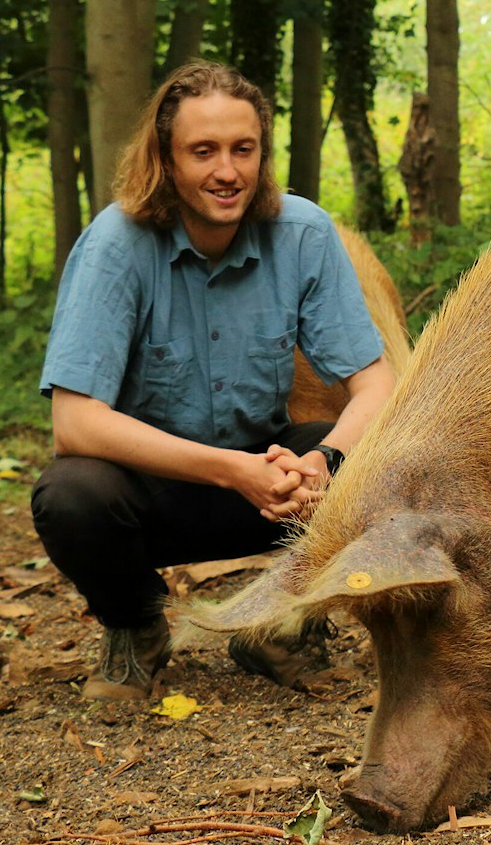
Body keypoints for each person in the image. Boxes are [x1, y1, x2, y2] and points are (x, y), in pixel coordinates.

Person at [31, 61, 397, 701]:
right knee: (70, 495)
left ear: (262, 155)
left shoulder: (302, 233)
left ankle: (283, 625)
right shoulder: (116, 244)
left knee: (386, 460)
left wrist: (322, 460)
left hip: (268, 476)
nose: (227, 171)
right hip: (150, 490)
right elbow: (75, 422)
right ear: (165, 160)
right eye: (204, 151)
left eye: (242, 149)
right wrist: (232, 470)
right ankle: (136, 626)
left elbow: (377, 383)